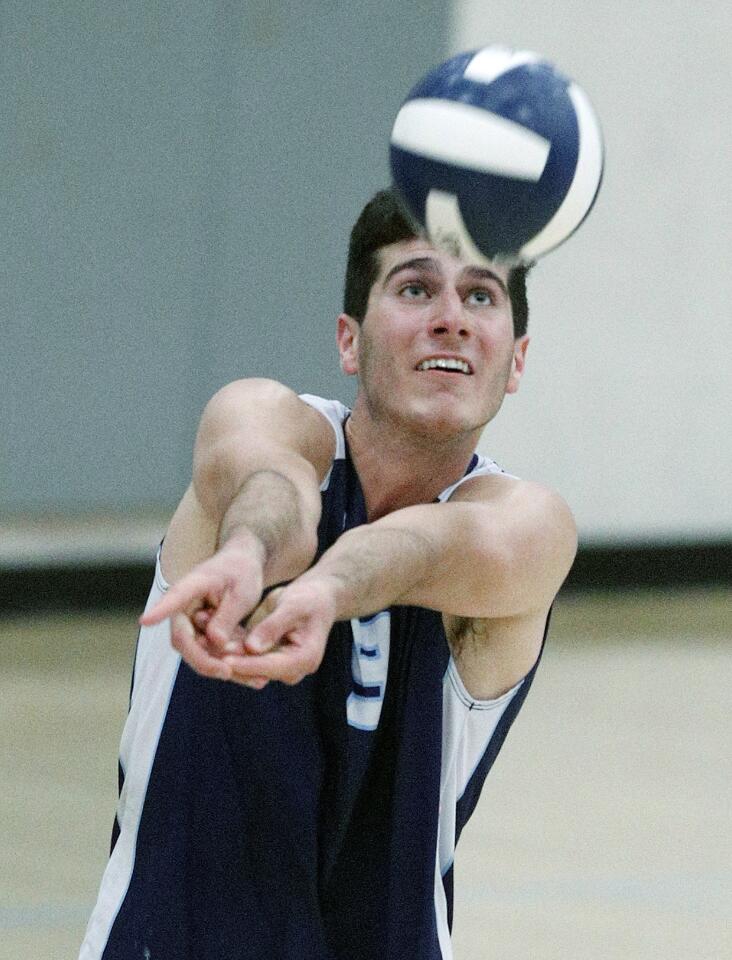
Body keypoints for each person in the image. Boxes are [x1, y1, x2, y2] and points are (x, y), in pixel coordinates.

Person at [80, 189, 576, 960]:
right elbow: (268, 481)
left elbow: (430, 547)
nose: (450, 316)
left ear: (515, 360)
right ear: (349, 342)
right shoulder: (262, 416)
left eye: (480, 294)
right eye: (415, 288)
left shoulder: (526, 527)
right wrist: (246, 552)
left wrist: (325, 591)